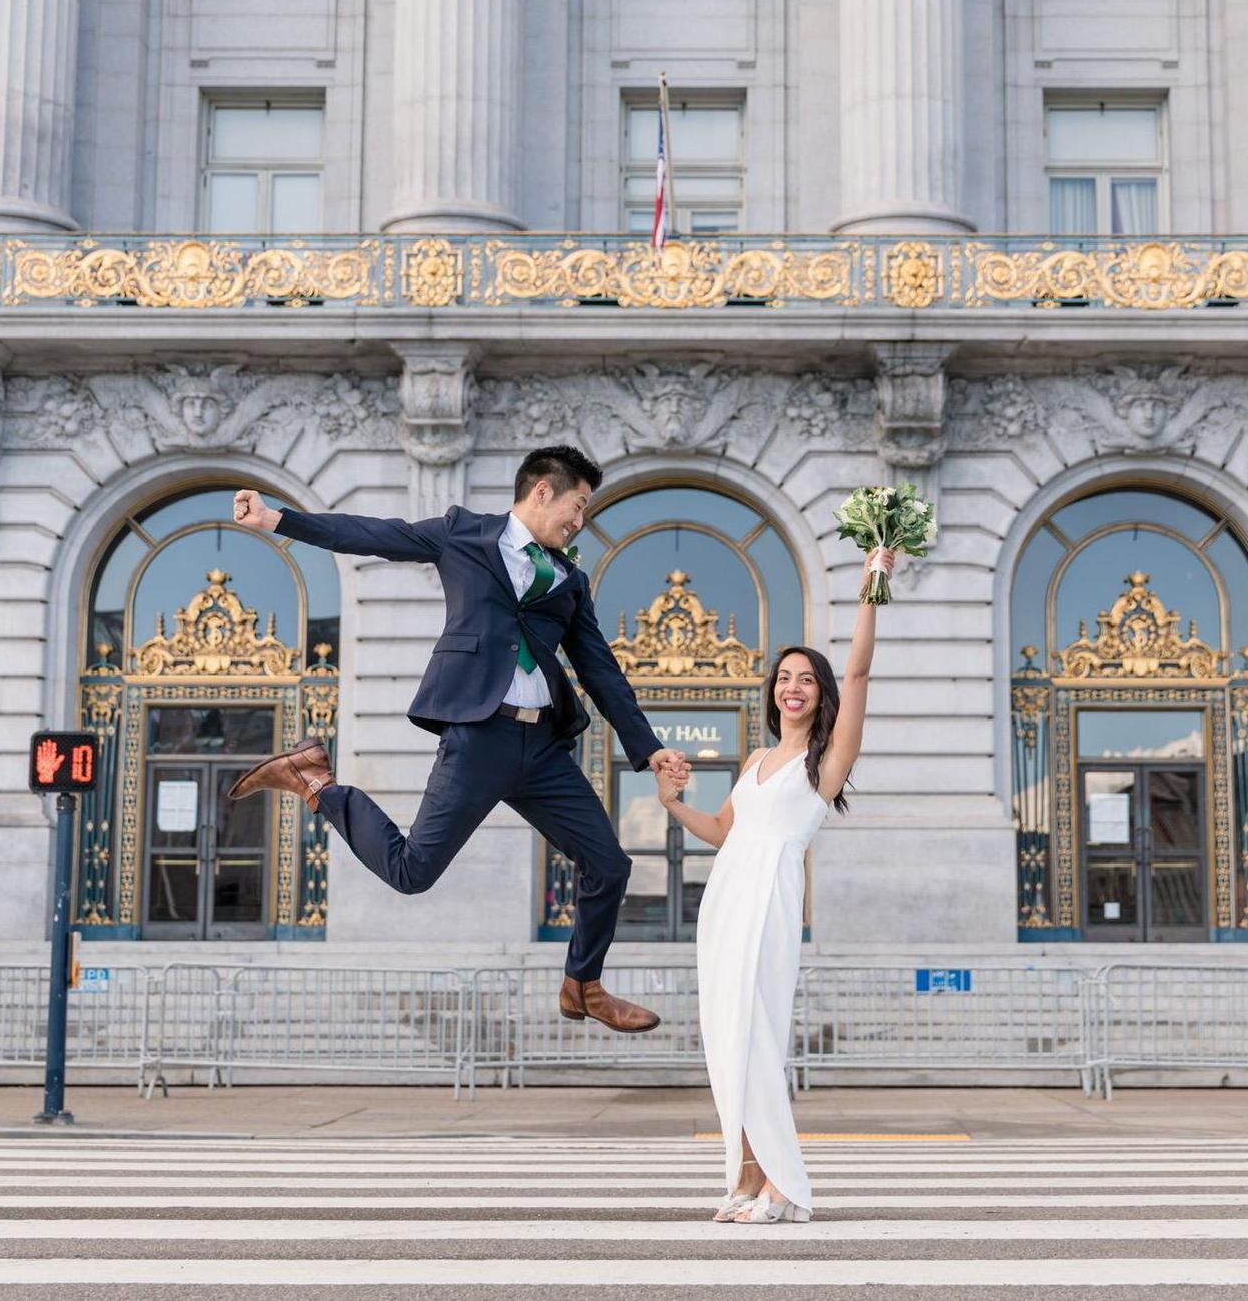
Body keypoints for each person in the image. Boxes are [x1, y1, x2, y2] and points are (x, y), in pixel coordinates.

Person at [228, 445, 691, 1032]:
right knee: (412, 872)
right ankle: (315, 780)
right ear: (542, 491)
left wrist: (648, 749)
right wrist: (279, 520)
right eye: (577, 506)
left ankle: (583, 986)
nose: (580, 521)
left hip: (542, 748)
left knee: (609, 865)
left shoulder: (569, 579)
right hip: (478, 735)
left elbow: (601, 670)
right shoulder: (463, 535)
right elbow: (374, 533)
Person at [655, 544, 896, 1222]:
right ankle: (749, 1176)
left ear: (820, 696)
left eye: (806, 681)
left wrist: (872, 584)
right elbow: (725, 832)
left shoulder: (827, 761)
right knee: (728, 1039)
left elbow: (860, 667)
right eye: (784, 677)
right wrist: (672, 803)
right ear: (772, 691)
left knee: (758, 1037)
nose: (793, 686)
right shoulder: (758, 756)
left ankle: (788, 1186)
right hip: (726, 899)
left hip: (770, 899)